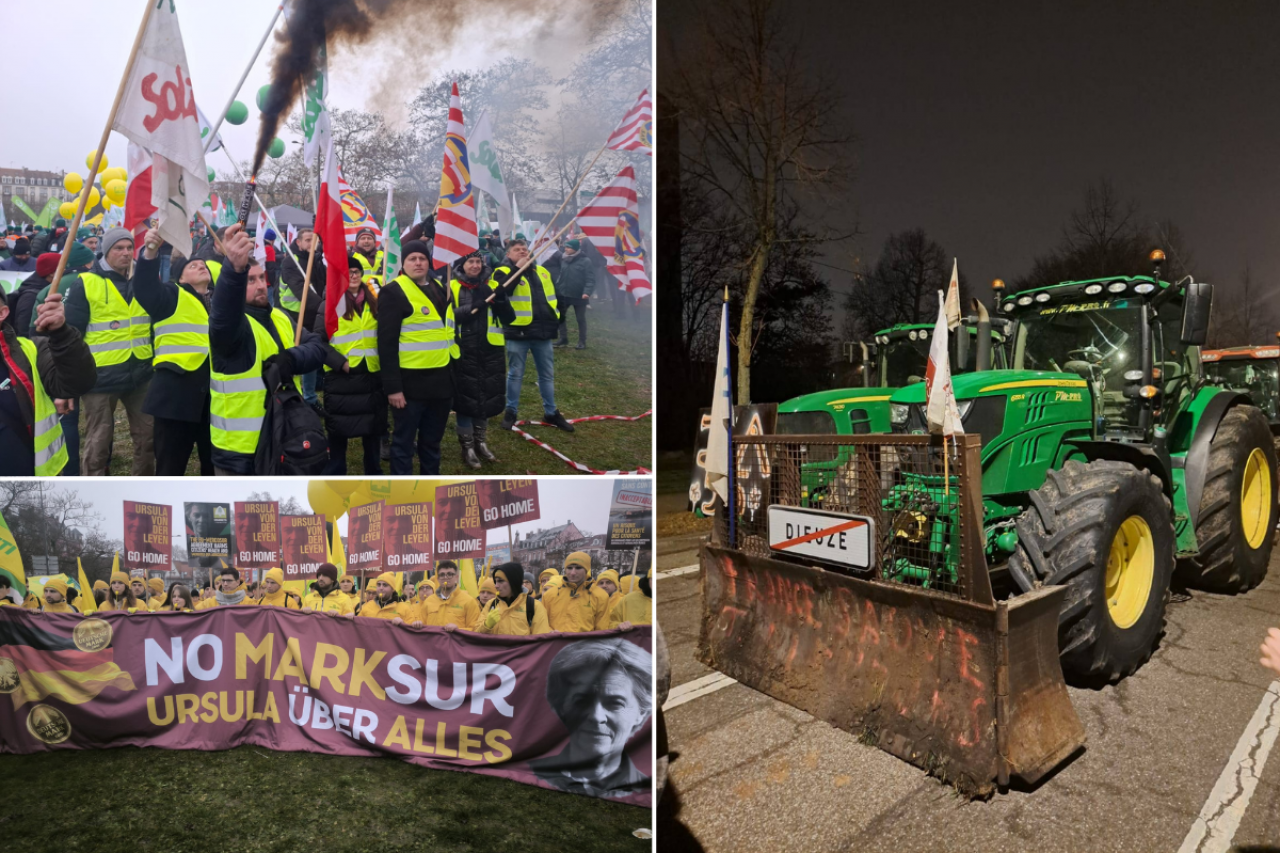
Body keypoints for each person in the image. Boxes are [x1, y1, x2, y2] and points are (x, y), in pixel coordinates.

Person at [208, 224, 340, 475]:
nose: (260, 285)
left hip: (285, 436)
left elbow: (316, 347)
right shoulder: (230, 329)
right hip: (241, 452)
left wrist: (290, 359)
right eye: (250, 280)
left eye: (261, 278)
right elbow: (223, 314)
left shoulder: (279, 316)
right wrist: (233, 271)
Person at [64, 228, 155, 476]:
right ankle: (94, 491)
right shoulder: (86, 283)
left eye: (129, 248)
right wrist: (70, 380)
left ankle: (143, 489)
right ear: (106, 251)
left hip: (141, 374)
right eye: (118, 248)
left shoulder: (143, 280)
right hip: (100, 378)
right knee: (98, 443)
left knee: (148, 438)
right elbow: (72, 334)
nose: (125, 253)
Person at [529, 637, 652, 799]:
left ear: (641, 712)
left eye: (615, 703)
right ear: (562, 707)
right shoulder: (529, 772)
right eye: (582, 701)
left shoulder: (648, 792)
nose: (596, 716)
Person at [135, 229, 216, 476]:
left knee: (213, 465)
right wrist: (150, 252)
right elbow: (145, 288)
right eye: (193, 265)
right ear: (180, 277)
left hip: (213, 398)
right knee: (171, 466)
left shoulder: (219, 302)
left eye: (204, 265)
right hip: (176, 397)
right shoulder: (171, 295)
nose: (201, 266)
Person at [0, 280, 96, 476]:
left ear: (2, 313)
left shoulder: (30, 351)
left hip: (32, 483)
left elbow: (77, 383)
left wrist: (61, 333)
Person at [377, 241, 457, 474]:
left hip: (441, 383)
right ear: (403, 264)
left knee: (432, 443)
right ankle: (403, 490)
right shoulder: (393, 292)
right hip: (410, 386)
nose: (418, 263)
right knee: (403, 444)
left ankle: (429, 486)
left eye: (422, 258)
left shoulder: (442, 289)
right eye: (412, 258)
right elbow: (386, 344)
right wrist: (393, 388)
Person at [493, 239, 573, 433]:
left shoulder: (542, 271)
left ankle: (551, 412)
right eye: (517, 250)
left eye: (525, 249)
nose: (522, 252)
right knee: (515, 374)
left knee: (546, 375)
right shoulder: (502, 271)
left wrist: (558, 318)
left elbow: (557, 296)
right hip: (518, 332)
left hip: (543, 333)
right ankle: (511, 411)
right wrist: (517, 269)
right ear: (508, 254)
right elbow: (501, 293)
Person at [316, 256, 385, 474]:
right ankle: (337, 474)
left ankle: (373, 473)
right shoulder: (330, 305)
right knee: (338, 429)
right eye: (348, 272)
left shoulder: (376, 301)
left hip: (371, 374)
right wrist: (340, 363)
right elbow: (318, 342)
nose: (353, 276)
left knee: (373, 430)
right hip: (342, 378)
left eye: (356, 271)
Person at [449, 249, 514, 468]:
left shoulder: (493, 286)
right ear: (462, 266)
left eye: (478, 262)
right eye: (471, 262)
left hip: (490, 350)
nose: (475, 266)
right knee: (465, 400)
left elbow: (509, 318)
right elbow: (447, 316)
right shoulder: (452, 287)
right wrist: (472, 308)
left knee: (485, 396)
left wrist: (501, 299)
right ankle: (467, 446)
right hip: (464, 350)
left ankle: (481, 441)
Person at [279, 226, 325, 407]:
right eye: (307, 240)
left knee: (315, 349)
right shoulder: (291, 261)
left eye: (315, 240)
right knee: (300, 353)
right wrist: (323, 307)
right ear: (298, 243)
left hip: (314, 313)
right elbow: (300, 289)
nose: (312, 243)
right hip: (294, 315)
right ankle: (303, 397)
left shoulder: (318, 260)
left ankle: (311, 394)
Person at [542, 551, 610, 633]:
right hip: (556, 641)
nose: (573, 573)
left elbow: (602, 629)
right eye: (569, 568)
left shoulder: (601, 596)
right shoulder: (549, 595)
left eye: (578, 568)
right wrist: (550, 632)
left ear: (586, 570)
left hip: (585, 641)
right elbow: (541, 623)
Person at [476, 562, 551, 636]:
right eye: (495, 581)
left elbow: (541, 640)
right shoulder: (491, 604)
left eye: (500, 581)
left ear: (513, 581)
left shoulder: (534, 606)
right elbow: (475, 636)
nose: (496, 586)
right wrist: (486, 625)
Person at [418, 560, 481, 631]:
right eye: (442, 575)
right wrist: (417, 625)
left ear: (456, 577)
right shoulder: (428, 602)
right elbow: (422, 630)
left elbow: (475, 630)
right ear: (438, 579)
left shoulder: (469, 601)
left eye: (450, 574)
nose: (446, 577)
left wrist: (458, 630)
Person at [553, 239, 593, 349]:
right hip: (564, 294)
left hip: (579, 295)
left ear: (575, 248)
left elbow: (590, 279)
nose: (566, 249)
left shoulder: (585, 261)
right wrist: (558, 287)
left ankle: (582, 341)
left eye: (569, 247)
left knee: (580, 319)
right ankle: (563, 338)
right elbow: (561, 274)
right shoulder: (563, 259)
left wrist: (587, 292)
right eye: (566, 247)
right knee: (560, 316)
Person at [10, 253, 59, 338]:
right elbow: (24, 329)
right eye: (63, 268)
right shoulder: (31, 296)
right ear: (52, 273)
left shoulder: (44, 289)